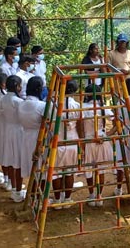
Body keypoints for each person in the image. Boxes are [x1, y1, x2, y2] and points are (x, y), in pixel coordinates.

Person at [82, 84, 114, 207]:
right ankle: (99, 196)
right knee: (100, 170)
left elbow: (80, 126)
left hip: (88, 140)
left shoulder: (82, 108)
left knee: (89, 169)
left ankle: (92, 194)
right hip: (101, 139)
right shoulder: (102, 107)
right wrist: (107, 135)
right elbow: (117, 121)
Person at [52, 80, 82, 209]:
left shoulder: (53, 104)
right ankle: (68, 198)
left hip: (57, 141)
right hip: (72, 140)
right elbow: (80, 125)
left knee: (56, 172)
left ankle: (58, 200)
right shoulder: (77, 105)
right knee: (69, 172)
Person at [18, 76, 46, 202]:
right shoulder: (41, 106)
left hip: (26, 136)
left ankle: (33, 195)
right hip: (38, 137)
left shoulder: (21, 104)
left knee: (32, 167)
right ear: (39, 89)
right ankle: (38, 196)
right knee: (41, 168)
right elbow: (47, 124)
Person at [112, 77, 130, 198]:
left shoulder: (120, 102)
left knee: (121, 162)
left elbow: (116, 122)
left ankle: (119, 188)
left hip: (123, 135)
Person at [2, 75, 26, 202]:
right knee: (19, 162)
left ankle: (14, 186)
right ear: (17, 86)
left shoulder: (4, 98)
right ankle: (18, 191)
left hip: (8, 129)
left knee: (11, 160)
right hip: (18, 130)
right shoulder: (18, 102)